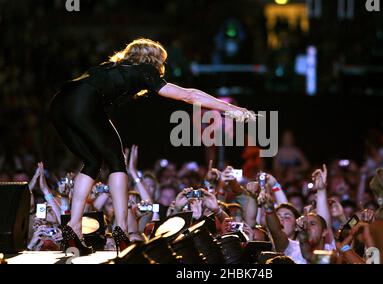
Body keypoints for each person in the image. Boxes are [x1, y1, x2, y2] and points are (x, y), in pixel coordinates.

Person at [49, 38, 255, 255]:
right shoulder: (145, 70)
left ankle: (73, 228)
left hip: (59, 103)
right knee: (117, 161)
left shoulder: (112, 67)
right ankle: (121, 230)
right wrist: (229, 108)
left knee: (91, 162)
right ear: (154, 60)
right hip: (83, 102)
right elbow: (189, 95)